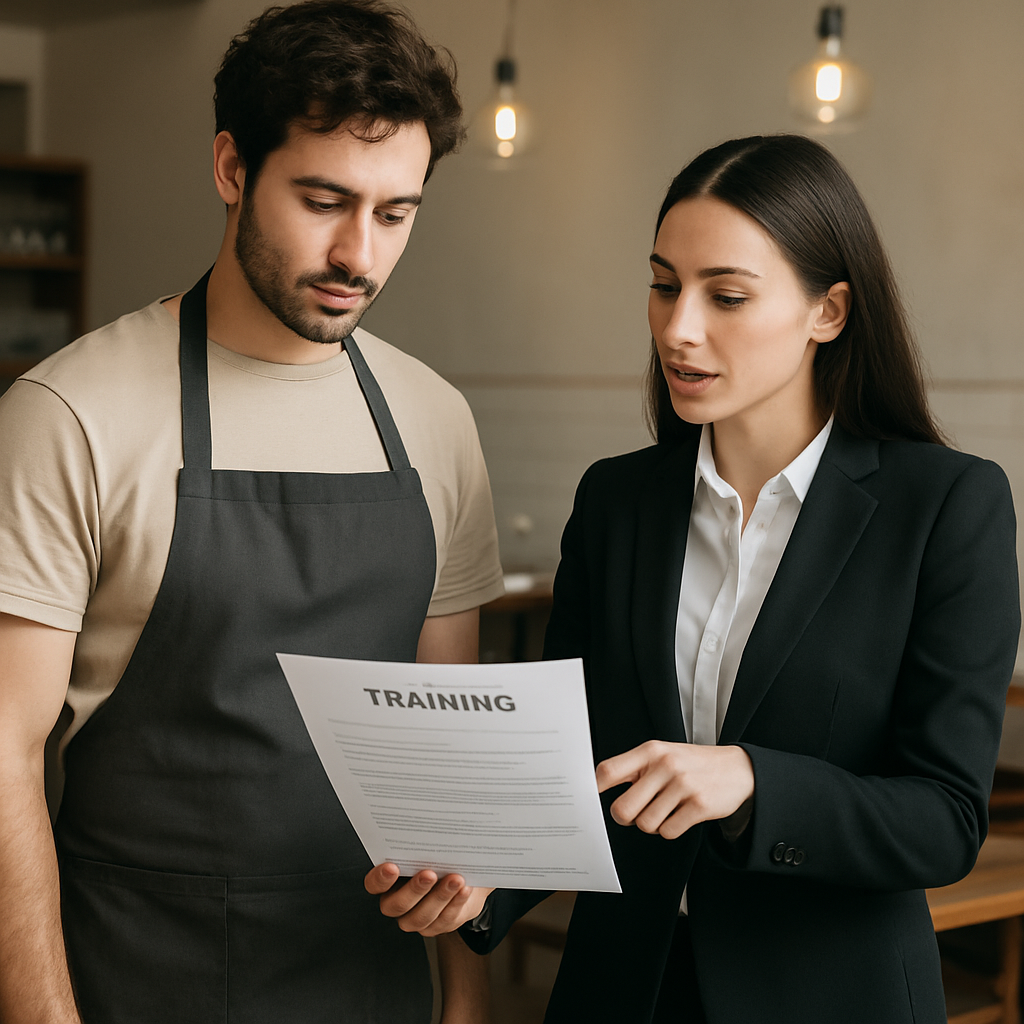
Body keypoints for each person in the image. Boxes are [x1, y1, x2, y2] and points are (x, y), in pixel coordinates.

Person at [370, 134, 1021, 1023]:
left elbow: (943, 818)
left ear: (828, 311)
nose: (679, 327)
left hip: (830, 998)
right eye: (664, 284)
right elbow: (571, 767)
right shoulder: (617, 501)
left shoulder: (948, 506)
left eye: (727, 296)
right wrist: (480, 885)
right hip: (622, 992)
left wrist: (755, 782)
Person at [0, 2, 505, 1022]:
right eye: (323, 199)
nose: (358, 253)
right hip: (137, 969)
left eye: (395, 212)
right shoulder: (69, 413)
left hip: (369, 970)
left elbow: (443, 753)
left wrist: (465, 993)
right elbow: (4, 751)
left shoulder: (436, 421)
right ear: (232, 168)